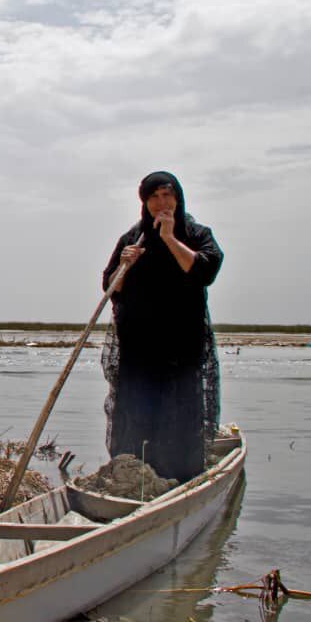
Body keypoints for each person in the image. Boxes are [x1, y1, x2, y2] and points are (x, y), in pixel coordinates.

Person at [101, 171, 223, 482]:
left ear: (178, 199)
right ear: (145, 202)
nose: (161, 203)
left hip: (181, 345)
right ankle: (134, 476)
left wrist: (169, 238)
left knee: (178, 411)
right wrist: (124, 266)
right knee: (137, 410)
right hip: (139, 346)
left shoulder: (196, 234)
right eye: (154, 197)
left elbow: (204, 271)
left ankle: (180, 476)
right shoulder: (133, 238)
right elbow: (111, 286)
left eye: (167, 195)